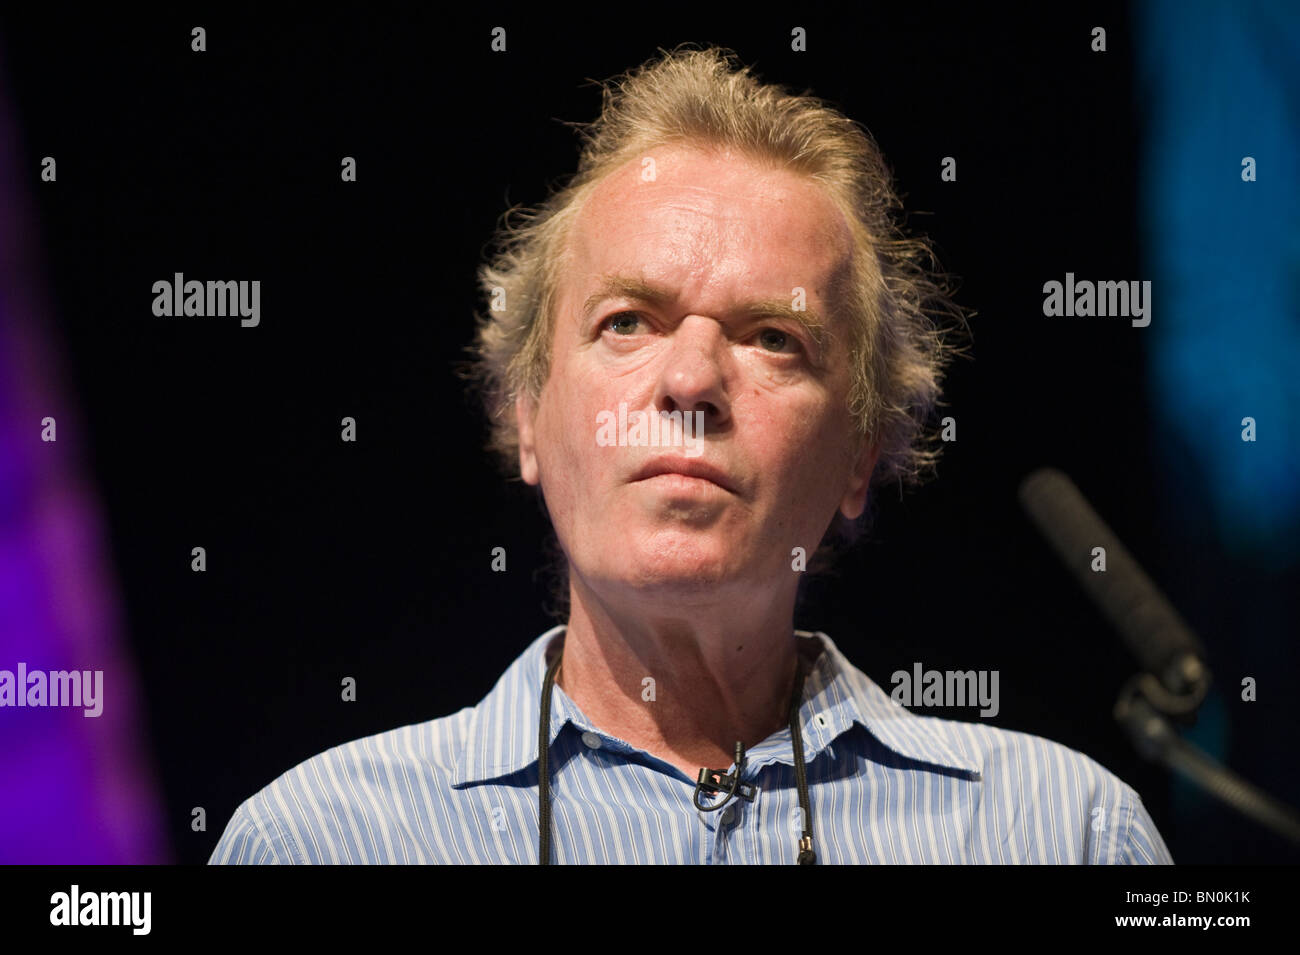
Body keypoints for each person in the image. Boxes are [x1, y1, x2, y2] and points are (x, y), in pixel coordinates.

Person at [210, 45, 1173, 864]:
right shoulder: (323, 840)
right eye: (627, 321)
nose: (691, 381)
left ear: (860, 452)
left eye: (772, 338)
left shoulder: (1063, 832)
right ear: (530, 417)